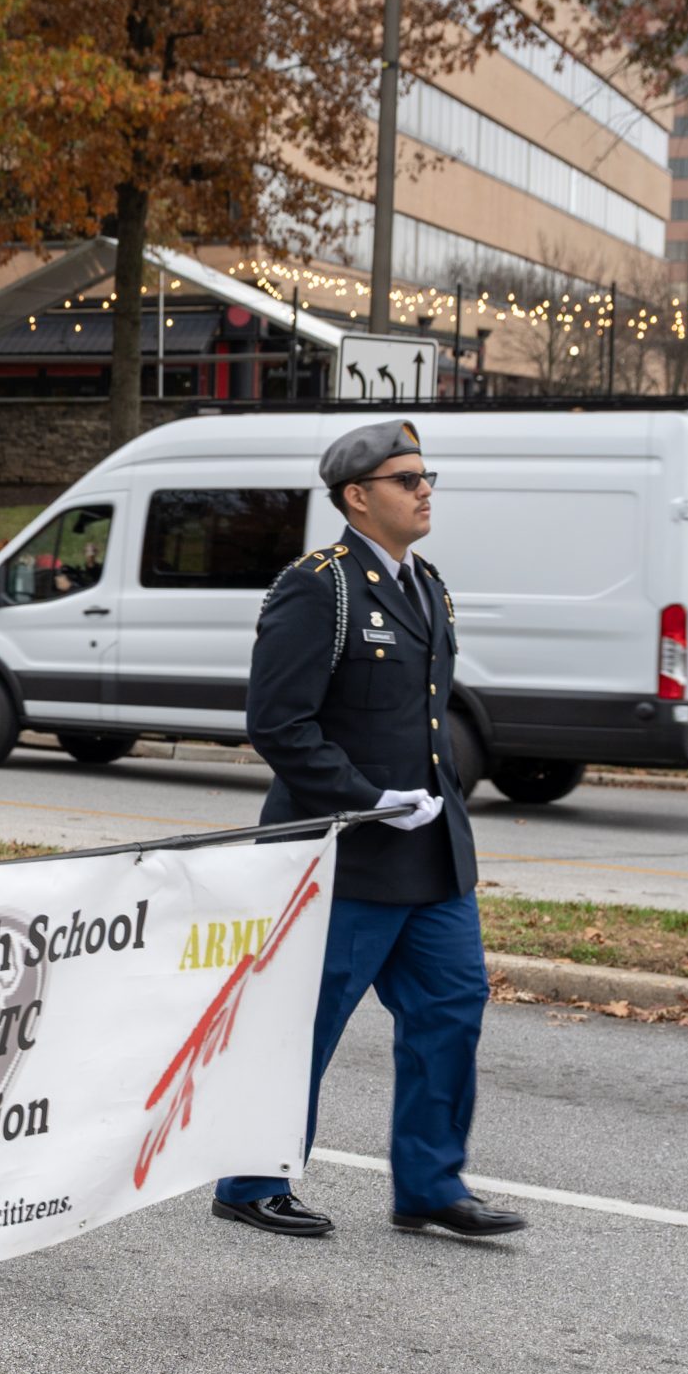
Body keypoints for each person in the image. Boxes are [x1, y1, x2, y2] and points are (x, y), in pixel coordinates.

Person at [213, 418, 525, 1241]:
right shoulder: (320, 586)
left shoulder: (428, 584)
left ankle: (429, 1184)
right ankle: (251, 1179)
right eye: (407, 478)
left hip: (430, 857)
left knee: (452, 1012)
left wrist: (434, 804)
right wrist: (366, 795)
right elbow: (277, 723)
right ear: (358, 496)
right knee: (304, 1021)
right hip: (341, 853)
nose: (426, 490)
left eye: (428, 477)